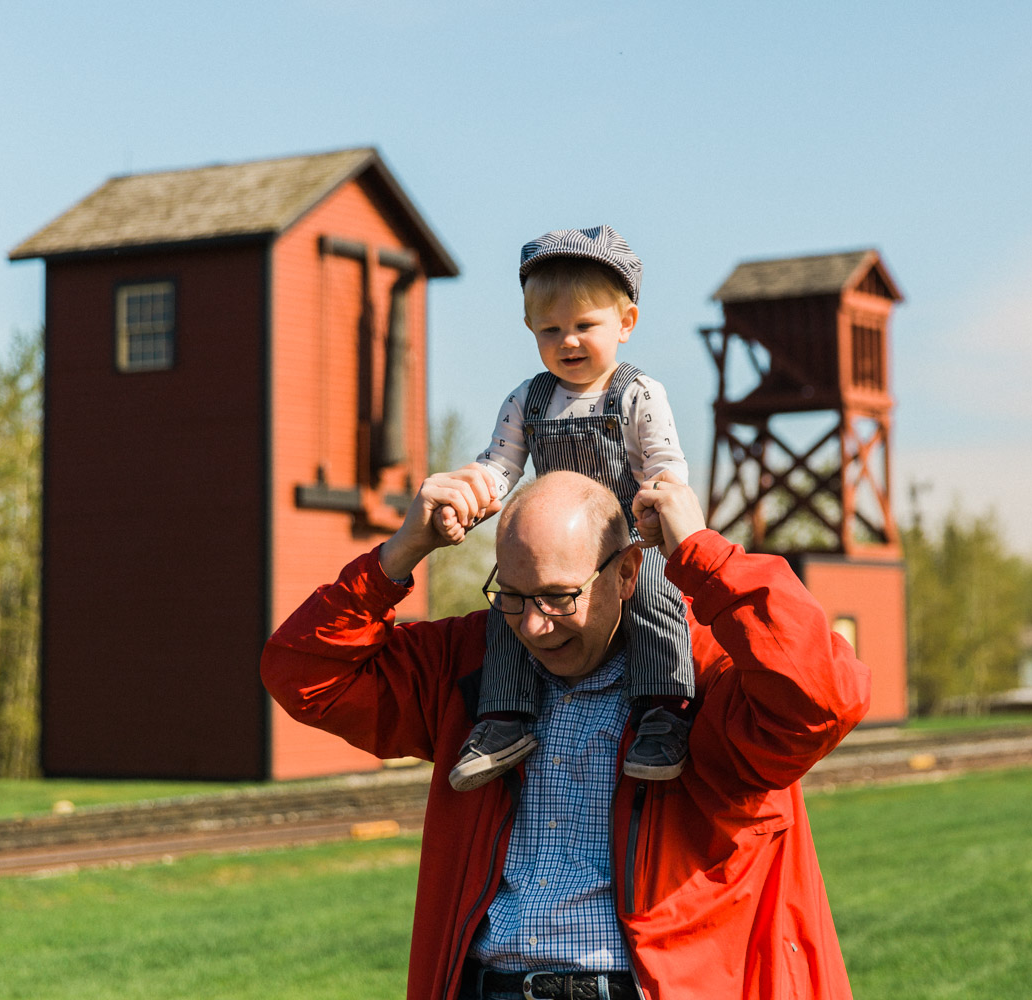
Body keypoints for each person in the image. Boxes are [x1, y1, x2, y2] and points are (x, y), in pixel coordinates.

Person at [262, 466, 872, 1000]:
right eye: (513, 595)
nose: (532, 625)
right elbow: (302, 674)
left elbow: (822, 697)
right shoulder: (472, 666)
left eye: (558, 597)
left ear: (628, 572)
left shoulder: (704, 676)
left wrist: (705, 557)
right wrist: (398, 553)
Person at [436, 225, 696, 792]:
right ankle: (505, 716)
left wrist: (661, 502)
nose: (568, 342)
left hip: (626, 537)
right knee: (512, 605)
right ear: (530, 329)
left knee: (655, 595)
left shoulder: (637, 394)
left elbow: (664, 463)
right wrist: (475, 489)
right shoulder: (525, 399)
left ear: (625, 323)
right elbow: (501, 463)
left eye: (585, 326)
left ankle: (662, 709)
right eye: (551, 330)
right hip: (552, 547)